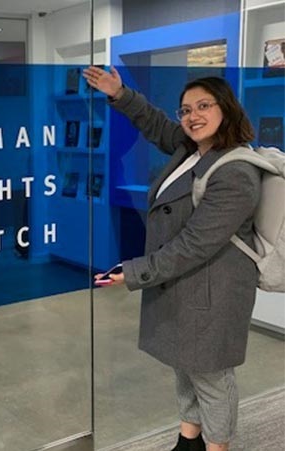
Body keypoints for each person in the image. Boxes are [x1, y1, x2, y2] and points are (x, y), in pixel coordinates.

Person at [83, 67, 260, 451]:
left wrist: (132, 273)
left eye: (203, 106)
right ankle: (189, 439)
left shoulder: (236, 172)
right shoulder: (190, 149)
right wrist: (119, 93)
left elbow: (194, 244)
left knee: (211, 375)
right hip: (185, 281)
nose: (192, 116)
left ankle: (218, 446)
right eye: (185, 110)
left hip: (214, 288)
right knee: (185, 364)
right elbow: (155, 124)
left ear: (226, 109)